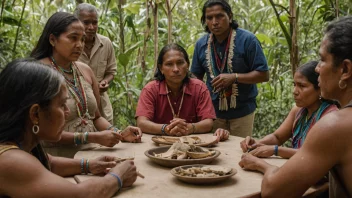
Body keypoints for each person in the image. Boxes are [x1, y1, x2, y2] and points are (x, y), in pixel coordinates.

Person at [239, 16, 352, 198]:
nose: (317, 68)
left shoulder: (335, 124)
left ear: (345, 70)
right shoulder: (301, 112)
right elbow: (277, 136)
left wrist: (259, 164)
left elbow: (274, 191)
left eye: (322, 59)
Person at [0, 59, 138, 198]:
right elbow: (81, 195)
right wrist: (118, 176)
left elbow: (50, 163)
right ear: (35, 114)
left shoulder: (24, 145)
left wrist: (90, 164)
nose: (67, 112)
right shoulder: (10, 160)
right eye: (62, 105)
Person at [30, 12, 142, 158]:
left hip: (91, 154)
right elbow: (40, 131)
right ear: (52, 39)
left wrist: (119, 133)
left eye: (82, 40)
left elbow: (96, 118)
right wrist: (91, 137)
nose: (79, 45)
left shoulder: (84, 70)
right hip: (55, 158)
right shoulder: (39, 73)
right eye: (73, 38)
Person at [191, 0, 269, 138]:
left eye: (219, 16)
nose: (215, 22)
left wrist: (235, 77)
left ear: (230, 16)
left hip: (242, 112)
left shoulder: (247, 40)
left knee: (239, 151)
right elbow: (195, 77)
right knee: (214, 151)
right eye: (209, 18)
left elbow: (263, 74)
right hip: (212, 112)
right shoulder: (201, 44)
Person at [239, 61, 338, 159]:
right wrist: (257, 144)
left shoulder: (330, 116)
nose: (294, 91)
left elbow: (313, 155)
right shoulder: (298, 110)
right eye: (294, 84)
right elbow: (277, 137)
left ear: (319, 88)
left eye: (302, 86)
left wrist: (276, 150)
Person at [135, 43, 229, 141]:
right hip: (157, 143)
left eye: (180, 63)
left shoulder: (199, 88)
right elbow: (141, 123)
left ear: (187, 64)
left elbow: (208, 122)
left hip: (193, 144)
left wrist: (190, 128)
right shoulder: (150, 89)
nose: (176, 69)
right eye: (169, 64)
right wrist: (165, 129)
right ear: (161, 68)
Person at [74, 3, 116, 124]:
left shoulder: (106, 43)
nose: (91, 27)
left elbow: (111, 71)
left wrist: (105, 81)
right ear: (76, 22)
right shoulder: (71, 46)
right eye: (86, 23)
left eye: (95, 22)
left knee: (107, 136)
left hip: (102, 107)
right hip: (78, 106)